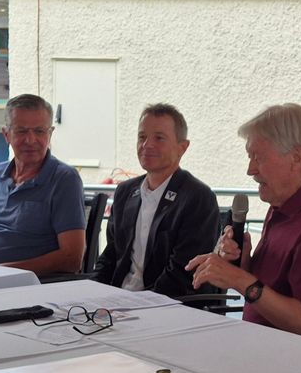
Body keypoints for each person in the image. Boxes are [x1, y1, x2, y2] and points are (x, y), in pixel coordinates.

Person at [186, 103, 301, 339]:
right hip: (264, 344)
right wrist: (240, 264)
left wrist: (239, 279)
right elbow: (270, 290)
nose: (250, 170)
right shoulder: (282, 204)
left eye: (258, 158)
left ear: (297, 158)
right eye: (250, 157)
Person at [0, 94, 85, 276]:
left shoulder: (64, 179)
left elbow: (71, 258)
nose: (30, 140)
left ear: (50, 134)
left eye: (39, 131)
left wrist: (5, 273)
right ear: (6, 134)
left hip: (22, 285)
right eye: (21, 131)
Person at [93, 103, 218, 297]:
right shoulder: (125, 192)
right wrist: (90, 292)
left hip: (165, 303)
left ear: (182, 147)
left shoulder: (197, 198)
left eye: (159, 138)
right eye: (142, 137)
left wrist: (136, 303)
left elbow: (182, 274)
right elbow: (110, 256)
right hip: (118, 299)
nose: (147, 145)